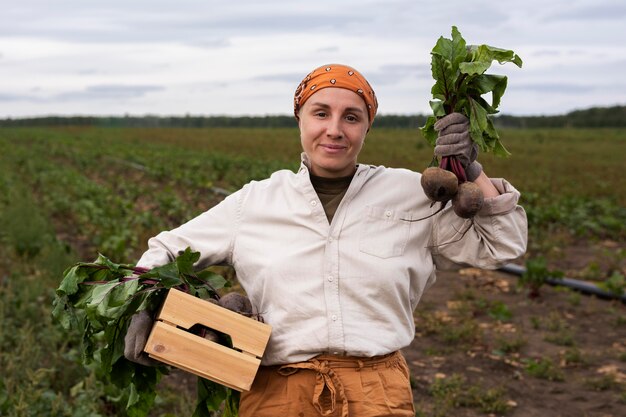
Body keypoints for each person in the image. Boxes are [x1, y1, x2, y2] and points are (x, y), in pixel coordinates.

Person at [124, 63, 528, 416]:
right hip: (276, 393)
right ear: (300, 118)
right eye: (321, 113)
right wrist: (145, 301)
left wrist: (472, 170)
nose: (334, 130)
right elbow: (165, 250)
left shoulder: (410, 193)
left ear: (368, 125)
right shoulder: (256, 201)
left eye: (351, 117)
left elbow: (502, 247)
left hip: (377, 392)